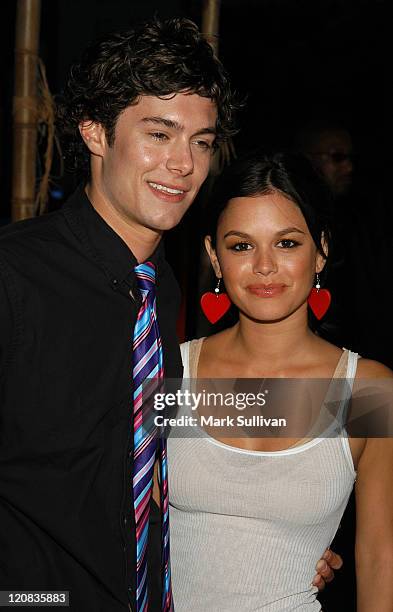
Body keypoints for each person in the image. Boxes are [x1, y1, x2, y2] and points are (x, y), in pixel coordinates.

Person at [0, 18, 340, 612]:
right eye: (159, 134)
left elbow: (186, 433)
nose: (183, 164)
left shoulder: (165, 293)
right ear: (94, 133)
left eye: (201, 141)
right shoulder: (14, 277)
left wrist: (285, 532)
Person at [166, 152, 393, 611]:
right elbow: (120, 516)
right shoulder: (171, 371)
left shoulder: (364, 390)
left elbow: (377, 557)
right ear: (214, 255)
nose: (264, 266)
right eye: (241, 245)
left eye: (287, 243)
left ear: (321, 250)